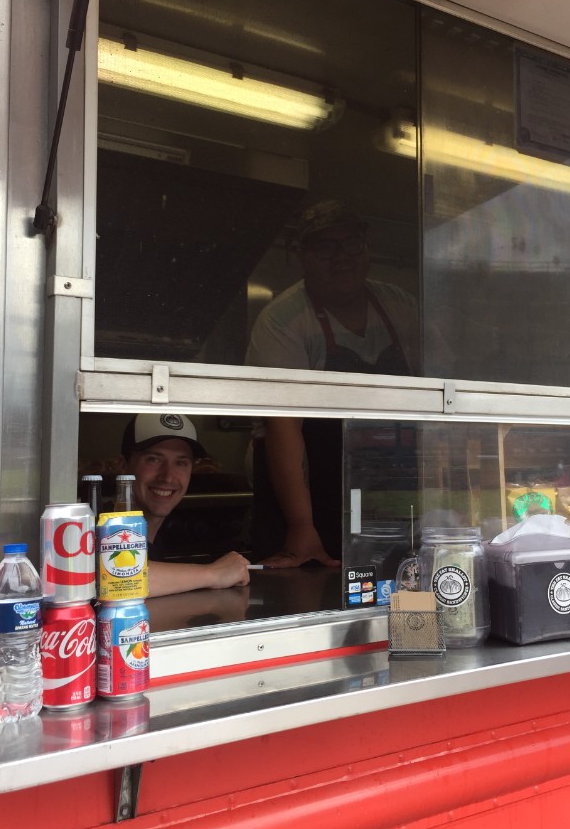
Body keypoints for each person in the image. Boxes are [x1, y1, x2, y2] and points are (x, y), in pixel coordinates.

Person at [246, 200, 420, 568]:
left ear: (367, 249)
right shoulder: (284, 321)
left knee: (403, 590)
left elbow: (443, 392)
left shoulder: (399, 307)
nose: (342, 257)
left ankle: (408, 629)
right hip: (308, 499)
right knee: (311, 598)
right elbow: (282, 425)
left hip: (390, 494)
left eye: (352, 243)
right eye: (325, 247)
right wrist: (301, 525)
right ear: (301, 256)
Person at [119, 413, 251, 597]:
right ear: (124, 465)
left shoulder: (157, 541)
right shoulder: (98, 529)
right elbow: (117, 577)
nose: (168, 476)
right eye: (154, 459)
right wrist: (213, 573)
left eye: (181, 463)